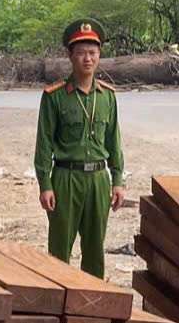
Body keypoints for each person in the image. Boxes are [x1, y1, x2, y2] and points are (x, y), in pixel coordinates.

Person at [33, 18, 127, 279]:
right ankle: (57, 298)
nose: (88, 59)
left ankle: (93, 301)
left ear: (99, 55)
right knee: (59, 249)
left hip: (98, 180)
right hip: (65, 179)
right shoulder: (54, 96)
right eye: (82, 53)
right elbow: (44, 144)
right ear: (70, 56)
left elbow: (114, 142)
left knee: (95, 251)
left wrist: (117, 180)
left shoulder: (107, 96)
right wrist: (45, 185)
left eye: (93, 53)